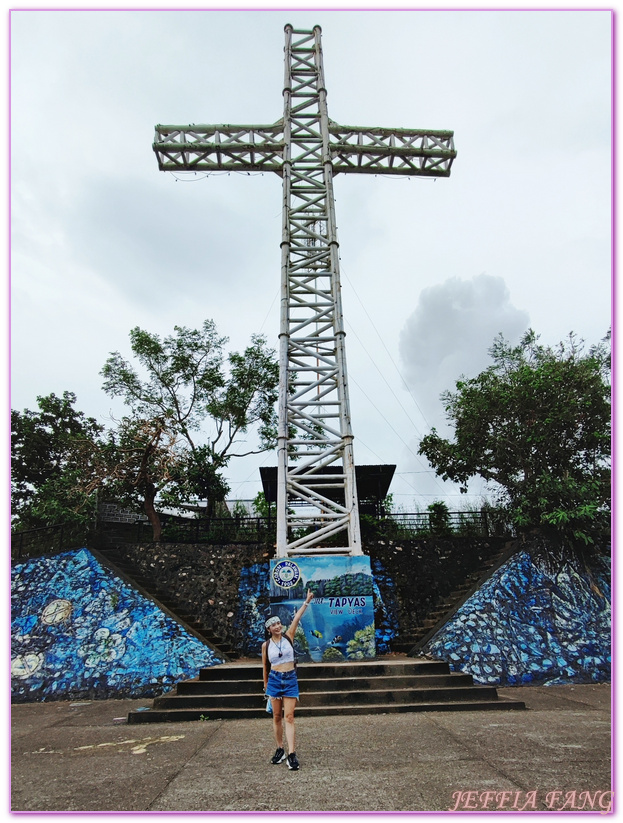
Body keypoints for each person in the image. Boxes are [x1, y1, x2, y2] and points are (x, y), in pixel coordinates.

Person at [262, 588, 314, 771]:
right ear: (269, 629)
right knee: (276, 717)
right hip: (274, 680)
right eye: (273, 625)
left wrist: (306, 601)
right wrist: (266, 686)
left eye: (278, 623)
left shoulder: (288, 636)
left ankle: (292, 754)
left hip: (290, 678)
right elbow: (265, 667)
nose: (277, 626)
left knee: (289, 717)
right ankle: (279, 749)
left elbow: (297, 618)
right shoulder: (266, 645)